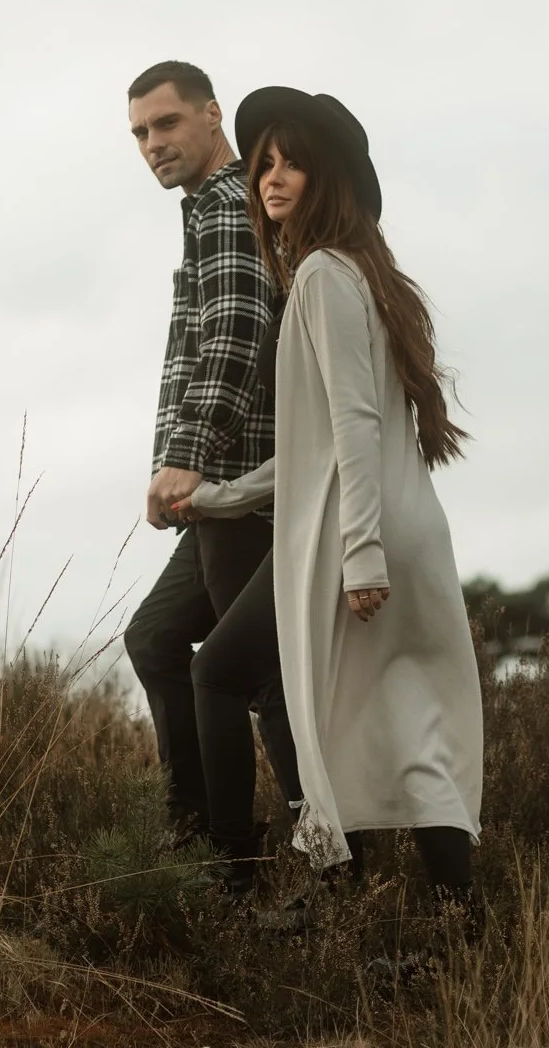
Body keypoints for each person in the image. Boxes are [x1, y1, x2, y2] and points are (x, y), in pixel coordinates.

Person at [175, 87, 483, 914]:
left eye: (291, 162)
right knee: (410, 725)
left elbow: (349, 426)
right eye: (264, 162)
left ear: (330, 178)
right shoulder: (369, 278)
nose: (271, 178)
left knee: (230, 676)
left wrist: (360, 555)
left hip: (359, 531)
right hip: (403, 522)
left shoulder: (318, 274)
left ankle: (271, 888)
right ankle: (461, 920)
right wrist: (224, 495)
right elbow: (330, 442)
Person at [119, 61, 299, 840]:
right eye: (138, 134)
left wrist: (185, 454)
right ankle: (194, 829)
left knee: (251, 678)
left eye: (165, 124)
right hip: (217, 487)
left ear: (212, 113)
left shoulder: (228, 205)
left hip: (242, 485)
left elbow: (235, 334)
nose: (152, 144)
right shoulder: (206, 213)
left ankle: (252, 853)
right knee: (158, 637)